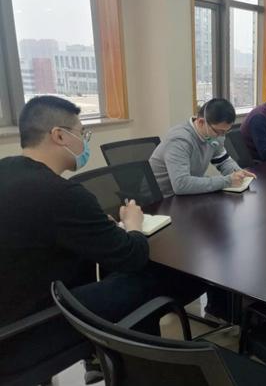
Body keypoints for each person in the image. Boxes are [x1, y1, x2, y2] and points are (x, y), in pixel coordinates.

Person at [0, 96, 205, 384]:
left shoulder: (7, 169)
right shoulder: (62, 194)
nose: (85, 141)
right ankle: (140, 372)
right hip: (31, 329)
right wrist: (133, 225)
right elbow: (131, 256)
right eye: (82, 133)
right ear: (59, 135)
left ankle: (103, 360)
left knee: (111, 269)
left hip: (13, 310)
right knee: (148, 276)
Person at [150, 98, 255, 197]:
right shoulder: (180, 140)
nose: (222, 136)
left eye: (225, 132)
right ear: (201, 122)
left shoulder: (212, 136)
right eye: (219, 131)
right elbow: (181, 184)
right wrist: (228, 181)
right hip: (161, 200)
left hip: (186, 197)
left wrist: (238, 173)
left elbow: (223, 161)